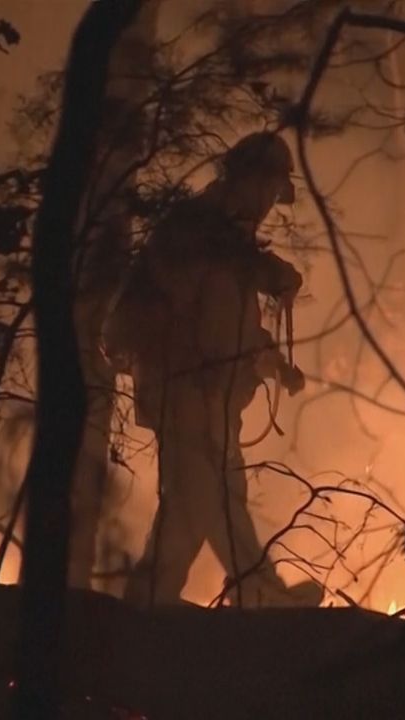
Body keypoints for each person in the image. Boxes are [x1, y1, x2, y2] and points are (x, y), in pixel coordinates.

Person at [103, 132, 322, 608]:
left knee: (191, 504)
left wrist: (275, 365)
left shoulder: (224, 240)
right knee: (216, 497)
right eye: (268, 188)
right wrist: (269, 274)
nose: (269, 202)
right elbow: (200, 316)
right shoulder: (198, 230)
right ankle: (260, 593)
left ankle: (149, 598)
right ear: (246, 178)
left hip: (211, 396)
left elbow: (232, 326)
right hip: (186, 391)